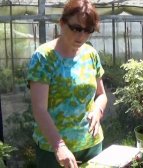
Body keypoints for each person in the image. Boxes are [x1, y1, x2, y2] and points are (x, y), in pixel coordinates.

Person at [27, 0, 107, 167]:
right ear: (62, 23)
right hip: (54, 151)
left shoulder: (91, 54)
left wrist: (98, 110)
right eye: (76, 28)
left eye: (88, 31)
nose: (82, 36)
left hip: (91, 144)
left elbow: (101, 95)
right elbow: (39, 109)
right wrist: (59, 146)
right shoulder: (43, 57)